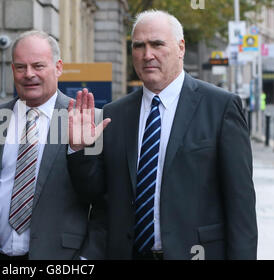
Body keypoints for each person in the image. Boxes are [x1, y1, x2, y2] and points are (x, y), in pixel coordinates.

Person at [67, 10, 257, 260]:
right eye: (138, 46)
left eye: (157, 44)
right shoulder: (115, 114)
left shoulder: (221, 107)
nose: (147, 55)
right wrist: (80, 151)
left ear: (180, 48)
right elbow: (96, 195)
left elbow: (240, 206)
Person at [0, 30, 106, 260]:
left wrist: (87, 258)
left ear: (59, 67)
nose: (29, 74)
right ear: (13, 70)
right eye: (21, 67)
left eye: (38, 66)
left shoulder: (89, 120)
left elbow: (103, 199)